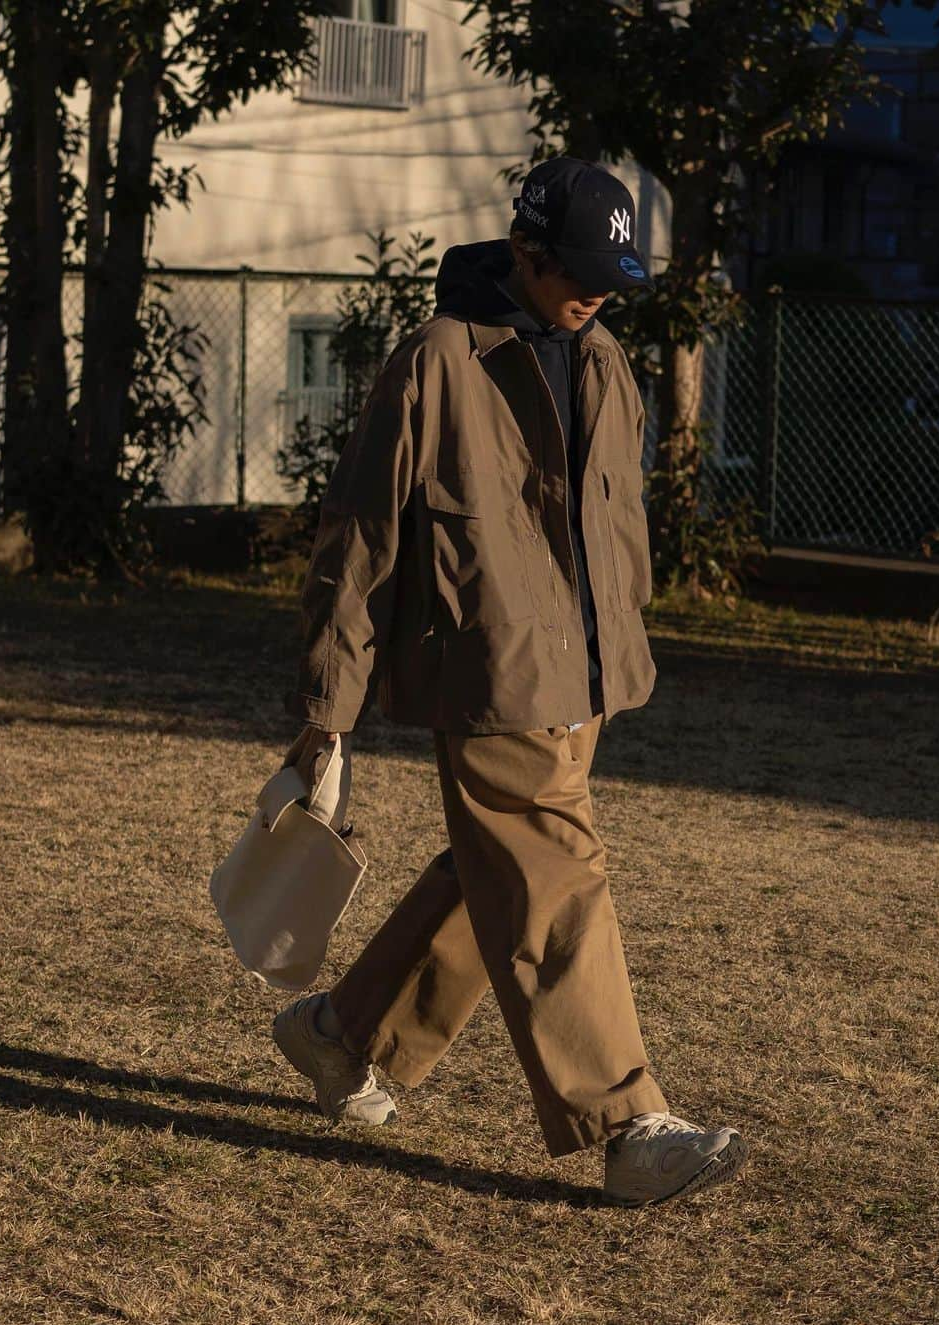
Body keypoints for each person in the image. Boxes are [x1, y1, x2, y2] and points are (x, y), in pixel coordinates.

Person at [274, 157, 748, 1207]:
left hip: (582, 674)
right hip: (483, 664)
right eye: (580, 270)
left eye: (613, 274)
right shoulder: (437, 359)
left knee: (497, 867)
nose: (597, 292)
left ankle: (342, 1034)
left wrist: (621, 653)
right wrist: (327, 712)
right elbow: (359, 541)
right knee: (551, 875)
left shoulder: (606, 357)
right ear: (525, 252)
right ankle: (628, 1123)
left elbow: (616, 526)